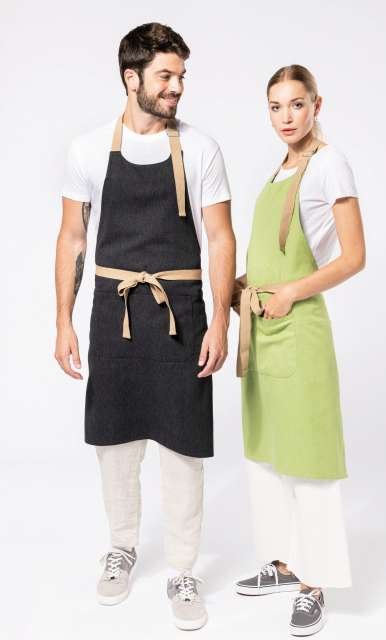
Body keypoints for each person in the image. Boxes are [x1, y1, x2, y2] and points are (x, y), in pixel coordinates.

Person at [54, 22, 235, 631]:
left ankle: (183, 568)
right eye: (166, 75)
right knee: (114, 441)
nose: (177, 86)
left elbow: (220, 237)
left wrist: (220, 322)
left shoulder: (202, 149)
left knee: (184, 446)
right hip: (114, 309)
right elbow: (72, 239)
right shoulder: (87, 150)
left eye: (181, 75)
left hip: (182, 312)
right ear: (131, 78)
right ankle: (122, 547)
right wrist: (62, 320)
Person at [232, 64, 365, 636]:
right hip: (261, 327)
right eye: (275, 107)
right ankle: (286, 565)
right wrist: (243, 287)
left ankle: (316, 585)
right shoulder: (278, 170)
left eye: (296, 105)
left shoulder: (330, 163)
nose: (285, 117)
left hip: (299, 327)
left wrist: (289, 292)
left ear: (316, 105)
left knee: (308, 458)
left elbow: (353, 256)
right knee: (269, 453)